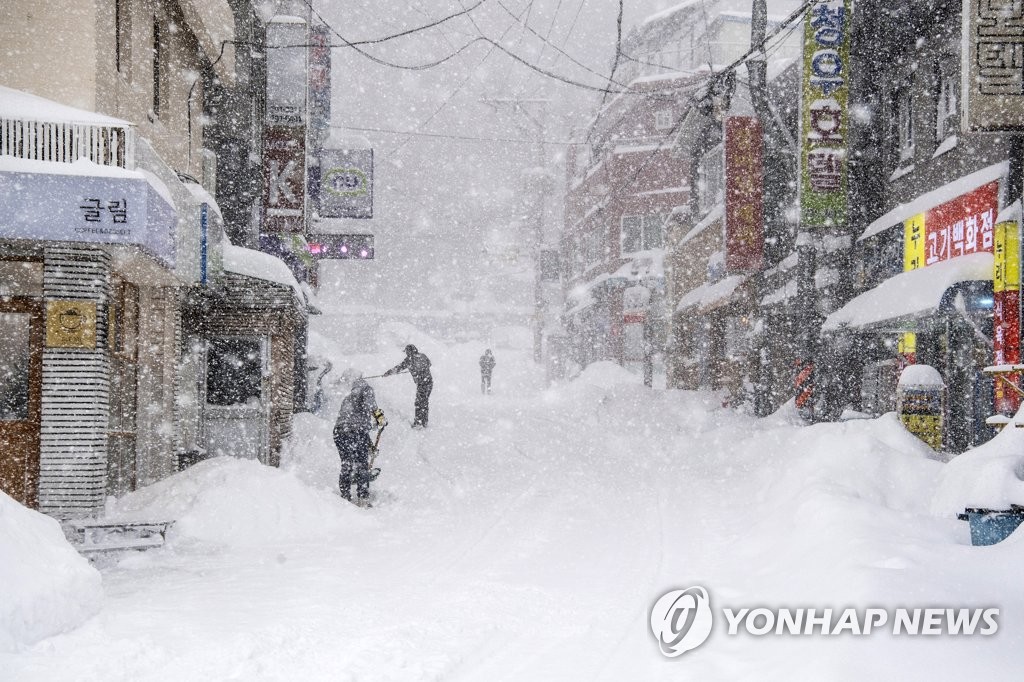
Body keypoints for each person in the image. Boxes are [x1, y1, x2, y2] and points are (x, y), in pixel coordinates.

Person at [333, 368, 386, 506]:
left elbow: (355, 427)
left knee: (347, 464)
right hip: (354, 432)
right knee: (362, 465)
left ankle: (344, 498)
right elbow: (371, 406)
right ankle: (363, 499)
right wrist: (380, 418)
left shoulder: (347, 399)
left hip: (339, 432)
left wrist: (369, 446)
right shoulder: (366, 389)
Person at [383, 344, 433, 428]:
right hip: (429, 383)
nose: (406, 354)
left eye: (406, 352)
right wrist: (415, 369)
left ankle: (418, 423)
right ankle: (424, 422)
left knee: (419, 403)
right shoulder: (423, 356)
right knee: (424, 402)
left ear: (409, 352)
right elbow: (429, 364)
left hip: (422, 384)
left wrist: (388, 373)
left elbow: (398, 368)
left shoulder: (409, 360)